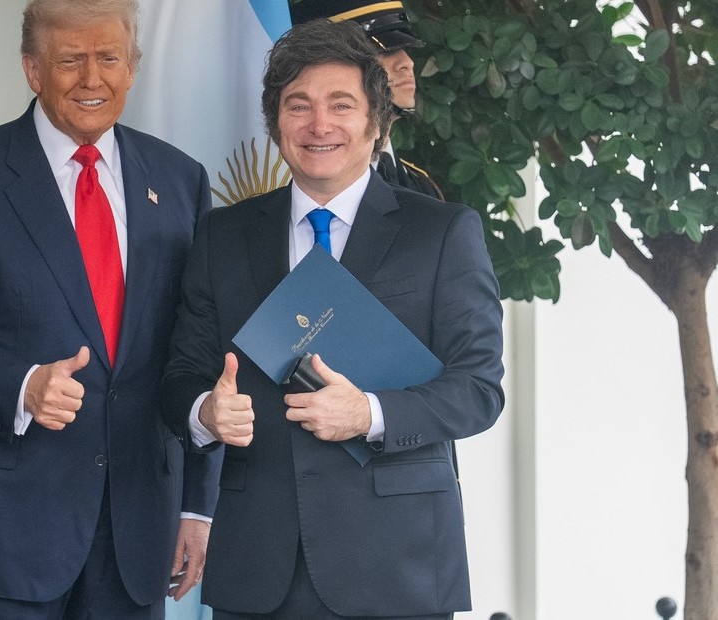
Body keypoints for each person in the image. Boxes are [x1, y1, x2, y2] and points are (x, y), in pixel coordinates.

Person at [0, 0, 220, 617]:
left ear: (133, 67)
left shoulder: (181, 180)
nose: (93, 78)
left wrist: (197, 506)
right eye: (70, 60)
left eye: (109, 58)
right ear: (32, 70)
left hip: (136, 525)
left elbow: (198, 347)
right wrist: (21, 384)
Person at [161, 17, 503, 620]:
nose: (319, 125)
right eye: (299, 106)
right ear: (276, 125)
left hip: (396, 563)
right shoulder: (222, 236)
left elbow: (478, 389)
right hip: (258, 565)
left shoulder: (443, 232)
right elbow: (180, 375)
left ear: (376, 122)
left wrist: (368, 413)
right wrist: (204, 412)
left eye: (341, 105)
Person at [290, 0, 445, 199]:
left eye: (405, 49)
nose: (407, 62)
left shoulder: (422, 187)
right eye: (381, 52)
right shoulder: (291, 183)